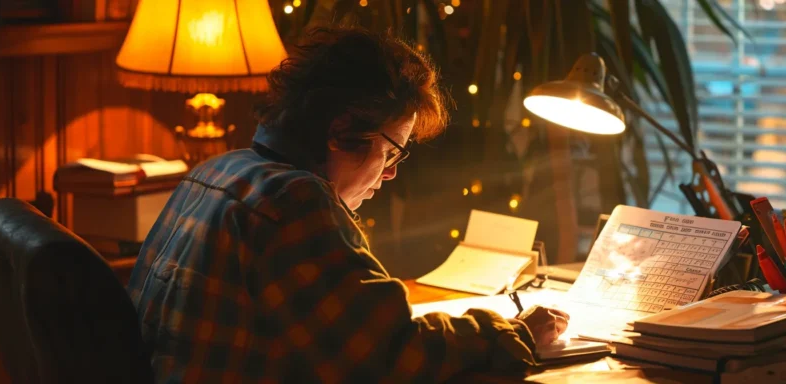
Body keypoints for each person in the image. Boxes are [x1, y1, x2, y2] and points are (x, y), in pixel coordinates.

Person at [126, 26, 570, 383]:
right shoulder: (295, 202)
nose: (392, 172)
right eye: (393, 149)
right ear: (342, 132)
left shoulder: (217, 171)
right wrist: (513, 332)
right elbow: (390, 356)